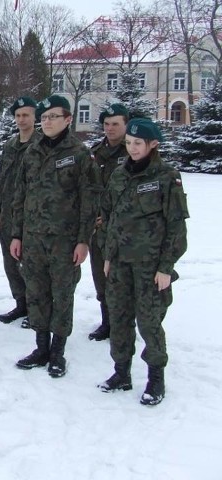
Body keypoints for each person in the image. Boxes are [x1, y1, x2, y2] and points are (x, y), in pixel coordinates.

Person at [98, 118, 189, 406]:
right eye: (129, 143)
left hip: (150, 267)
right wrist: (109, 255)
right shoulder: (118, 175)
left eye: (138, 143)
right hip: (120, 263)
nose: (133, 148)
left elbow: (176, 227)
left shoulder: (166, 176)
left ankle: (155, 378)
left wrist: (166, 267)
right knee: (120, 319)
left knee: (149, 323)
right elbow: (109, 219)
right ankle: (121, 372)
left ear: (153, 145)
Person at [10, 95, 101, 377]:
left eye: (53, 117)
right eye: (45, 117)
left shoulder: (79, 153)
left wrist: (84, 239)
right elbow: (19, 195)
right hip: (33, 237)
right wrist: (17, 235)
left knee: (62, 295)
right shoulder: (32, 151)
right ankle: (41, 347)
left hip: (65, 240)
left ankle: (58, 351)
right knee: (36, 293)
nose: (47, 122)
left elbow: (90, 199)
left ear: (68, 120)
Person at [0, 96, 41, 328]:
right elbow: (1, 180)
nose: (22, 119)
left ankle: (36, 310)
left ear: (35, 117)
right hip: (9, 213)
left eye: (26, 115)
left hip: (32, 215)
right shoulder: (10, 145)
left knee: (30, 265)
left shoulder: (42, 144)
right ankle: (20, 303)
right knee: (10, 262)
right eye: (18, 115)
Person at [88, 103, 129, 341]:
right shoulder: (96, 152)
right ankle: (107, 322)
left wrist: (111, 215)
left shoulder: (133, 152)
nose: (110, 128)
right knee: (100, 277)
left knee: (120, 279)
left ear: (126, 125)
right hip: (97, 228)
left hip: (122, 229)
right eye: (106, 124)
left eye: (115, 124)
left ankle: (123, 324)